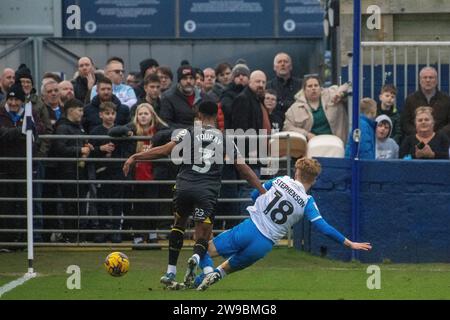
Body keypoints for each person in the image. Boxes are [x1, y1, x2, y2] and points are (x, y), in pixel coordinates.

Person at [122, 101, 266, 289]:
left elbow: (165, 150)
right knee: (203, 233)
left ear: (198, 114)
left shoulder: (187, 132)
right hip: (206, 191)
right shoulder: (225, 139)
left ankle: (170, 271)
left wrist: (135, 157)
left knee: (178, 225)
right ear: (217, 116)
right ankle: (197, 259)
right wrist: (263, 191)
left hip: (183, 187)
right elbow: (244, 169)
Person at [193, 158, 372, 291]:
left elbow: (255, 194)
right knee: (224, 270)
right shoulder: (307, 201)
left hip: (250, 228)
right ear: (314, 180)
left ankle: (196, 279)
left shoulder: (281, 180)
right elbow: (323, 227)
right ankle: (199, 281)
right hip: (263, 245)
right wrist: (349, 243)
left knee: (206, 250)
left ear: (296, 172)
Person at [110, 103, 171, 247]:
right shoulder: (131, 129)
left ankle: (151, 234)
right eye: (140, 114)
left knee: (153, 206)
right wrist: (126, 132)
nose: (143, 116)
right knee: (137, 207)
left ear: (152, 116)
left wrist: (156, 136)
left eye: (146, 113)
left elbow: (171, 132)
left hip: (154, 174)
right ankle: (137, 235)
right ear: (136, 116)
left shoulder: (159, 130)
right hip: (136, 175)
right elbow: (112, 132)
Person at [0, 83, 44, 246]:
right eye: (10, 99)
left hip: (25, 167)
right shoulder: (1, 112)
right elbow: (2, 133)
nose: (13, 103)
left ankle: (24, 239)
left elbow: (38, 130)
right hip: (4, 168)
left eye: (16, 100)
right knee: (6, 205)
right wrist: (20, 131)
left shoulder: (29, 113)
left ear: (21, 100)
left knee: (25, 204)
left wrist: (24, 132)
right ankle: (6, 240)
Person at [89, 102, 134, 243]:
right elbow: (90, 150)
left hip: (118, 171)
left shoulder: (121, 130)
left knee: (117, 203)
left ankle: (115, 231)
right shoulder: (96, 131)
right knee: (102, 203)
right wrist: (101, 149)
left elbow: (128, 147)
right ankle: (103, 231)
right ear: (101, 115)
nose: (110, 116)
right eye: (107, 113)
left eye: (112, 113)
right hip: (102, 171)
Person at [283, 75, 349, 143]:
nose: (313, 88)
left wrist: (341, 94)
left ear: (320, 88)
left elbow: (349, 85)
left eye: (316, 85)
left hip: (336, 144)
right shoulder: (295, 108)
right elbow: (287, 127)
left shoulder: (331, 94)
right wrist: (306, 134)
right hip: (311, 146)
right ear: (304, 90)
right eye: (310, 86)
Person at [401, 66, 450, 140]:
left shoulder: (446, 99)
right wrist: (420, 135)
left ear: (436, 80)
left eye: (431, 77)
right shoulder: (410, 99)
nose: (428, 80)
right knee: (420, 150)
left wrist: (437, 135)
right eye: (425, 77)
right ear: (420, 80)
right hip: (418, 141)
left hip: (441, 140)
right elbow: (405, 123)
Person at [267, 52, 302, 125]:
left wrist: (280, 104)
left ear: (291, 66)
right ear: (274, 67)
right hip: (274, 125)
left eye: (285, 62)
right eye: (279, 62)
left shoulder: (301, 85)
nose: (282, 64)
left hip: (297, 125)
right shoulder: (268, 86)